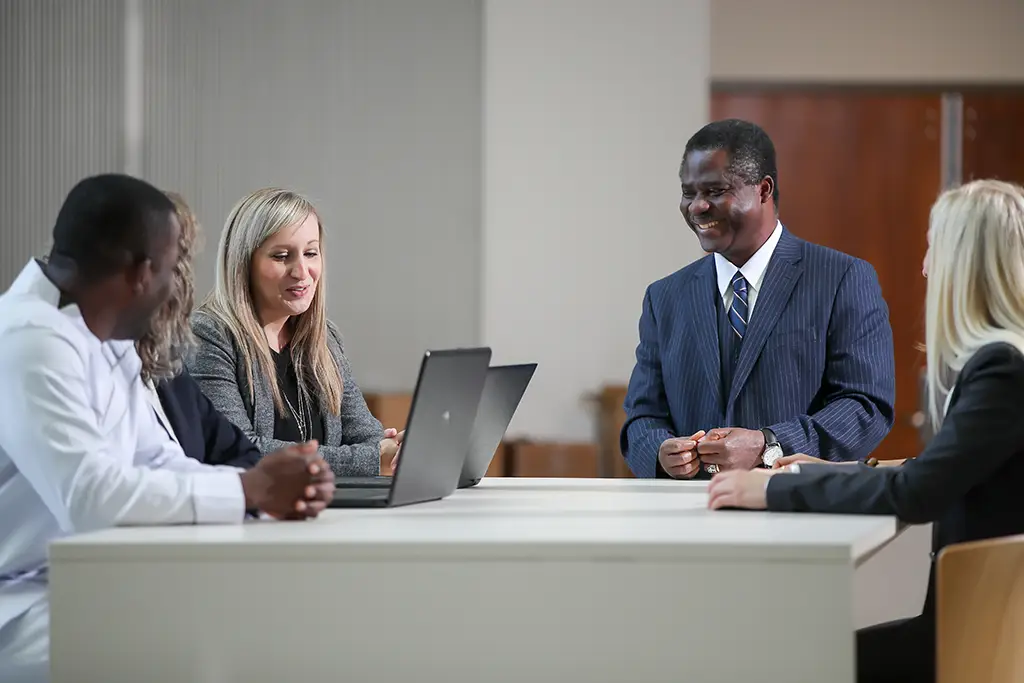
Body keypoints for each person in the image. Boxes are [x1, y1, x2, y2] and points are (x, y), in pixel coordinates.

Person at [0, 174, 334, 682]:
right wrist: (250, 487)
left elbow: (161, 461)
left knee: (277, 622)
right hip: (24, 601)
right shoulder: (28, 337)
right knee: (223, 652)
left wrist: (261, 496)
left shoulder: (99, 332)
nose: (175, 290)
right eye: (172, 270)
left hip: (89, 578)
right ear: (141, 273)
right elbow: (91, 495)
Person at [707, 179, 1024, 683]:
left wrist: (776, 486)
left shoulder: (1003, 369)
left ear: (966, 264)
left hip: (970, 639)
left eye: (932, 248)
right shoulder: (1007, 363)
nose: (925, 266)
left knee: (789, 664)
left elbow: (920, 492)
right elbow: (940, 468)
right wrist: (841, 467)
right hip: (983, 627)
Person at [620, 119, 896, 479]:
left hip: (797, 512)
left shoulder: (842, 279)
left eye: (715, 191)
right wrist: (659, 451)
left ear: (764, 189)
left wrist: (769, 445)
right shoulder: (664, 297)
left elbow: (866, 406)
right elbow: (642, 417)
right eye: (689, 193)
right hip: (690, 518)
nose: (697, 207)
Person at [186, 188, 401, 478]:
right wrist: (373, 457)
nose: (301, 271)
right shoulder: (209, 335)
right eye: (282, 256)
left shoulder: (324, 338)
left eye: (311, 253)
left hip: (329, 515)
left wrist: (396, 449)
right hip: (254, 518)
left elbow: (366, 436)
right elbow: (238, 450)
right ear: (243, 263)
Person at [137, 191, 260, 468]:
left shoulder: (164, 360)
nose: (180, 281)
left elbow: (242, 453)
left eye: (182, 262)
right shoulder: (209, 332)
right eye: (170, 263)